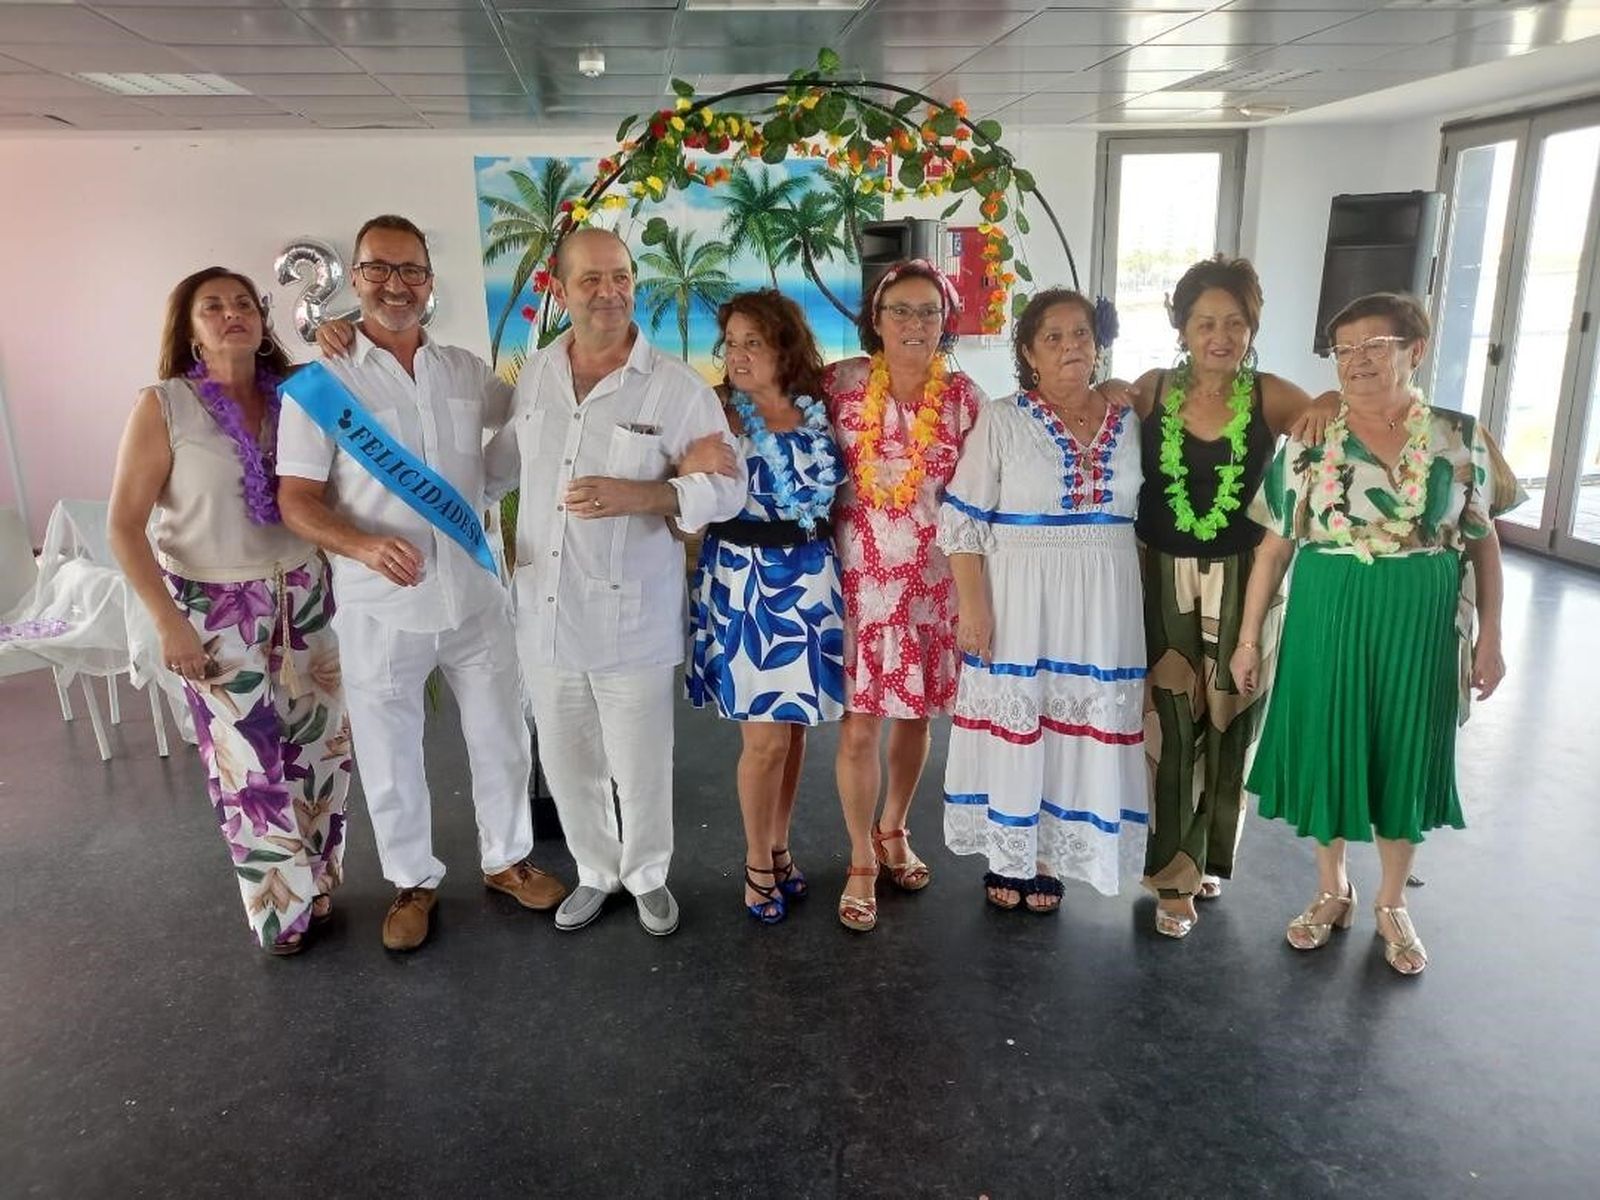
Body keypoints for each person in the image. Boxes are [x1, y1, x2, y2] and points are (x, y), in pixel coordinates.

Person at [278, 213, 566, 953]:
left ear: (430, 283)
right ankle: (413, 880)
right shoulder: (321, 383)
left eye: (410, 271)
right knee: (389, 748)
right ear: (355, 276)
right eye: (379, 269)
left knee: (503, 735)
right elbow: (297, 500)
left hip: (474, 595)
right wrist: (364, 545)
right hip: (382, 606)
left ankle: (508, 858)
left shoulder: (464, 370)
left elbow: (539, 413)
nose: (395, 285)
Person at [1230, 292, 1523, 976]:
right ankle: (1331, 888)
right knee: (1331, 745)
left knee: (1403, 748)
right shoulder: (1308, 442)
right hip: (1329, 610)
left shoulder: (1459, 436)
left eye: (1375, 346)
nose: (1358, 362)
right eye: (1344, 350)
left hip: (1420, 616)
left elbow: (1483, 545)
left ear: (1414, 351)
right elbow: (1273, 550)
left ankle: (1393, 901)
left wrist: (1491, 637)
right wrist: (1247, 639)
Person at [485, 226, 747, 937]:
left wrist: (646, 495)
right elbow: (501, 466)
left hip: (632, 613)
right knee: (567, 759)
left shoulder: (676, 387)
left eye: (621, 276)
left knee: (639, 761)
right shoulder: (536, 374)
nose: (610, 292)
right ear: (561, 290)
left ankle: (648, 873)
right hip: (543, 609)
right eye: (591, 280)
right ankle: (597, 870)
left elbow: (727, 490)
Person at [107, 266, 351, 956]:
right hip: (213, 607)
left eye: (244, 303)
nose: (231, 314)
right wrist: (168, 622)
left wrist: (342, 334)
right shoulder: (164, 406)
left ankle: (319, 877)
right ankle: (280, 911)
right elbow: (124, 526)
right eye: (212, 307)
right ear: (188, 327)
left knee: (321, 745)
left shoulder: (295, 395)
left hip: (303, 592)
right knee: (250, 763)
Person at [1120, 255, 1337, 938]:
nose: (1220, 335)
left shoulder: (1271, 394)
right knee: (1171, 722)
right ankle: (1173, 878)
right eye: (1205, 321)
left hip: (1247, 576)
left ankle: (1210, 854)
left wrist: (1329, 400)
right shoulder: (1152, 390)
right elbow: (1097, 411)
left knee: (1230, 718)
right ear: (1181, 327)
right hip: (1161, 572)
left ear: (1253, 328)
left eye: (1235, 322)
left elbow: (1333, 422)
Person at [939, 289, 1147, 910]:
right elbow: (962, 521)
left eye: (1080, 334)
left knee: (1078, 726)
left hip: (1103, 604)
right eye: (1051, 338)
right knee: (1021, 721)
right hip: (1021, 599)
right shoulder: (1002, 419)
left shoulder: (1131, 418)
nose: (1069, 348)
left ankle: (1052, 854)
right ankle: (1012, 854)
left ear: (1099, 343)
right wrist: (974, 608)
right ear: (1028, 352)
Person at [825, 259, 987, 932]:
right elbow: (770, 404)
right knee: (860, 725)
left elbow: (978, 500)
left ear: (945, 321)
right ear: (877, 320)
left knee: (916, 718)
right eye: (901, 311)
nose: (915, 324)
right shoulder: (841, 384)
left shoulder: (965, 398)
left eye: (928, 312)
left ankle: (894, 827)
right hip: (859, 584)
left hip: (929, 588)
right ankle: (861, 855)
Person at [684, 290, 846, 923]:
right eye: (732, 342)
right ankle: (756, 862)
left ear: (784, 345)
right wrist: (686, 462)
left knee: (795, 732)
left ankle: (780, 847)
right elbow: (685, 489)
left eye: (755, 341)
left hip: (811, 578)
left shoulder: (820, 409)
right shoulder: (715, 413)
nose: (740, 354)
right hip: (748, 585)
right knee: (764, 743)